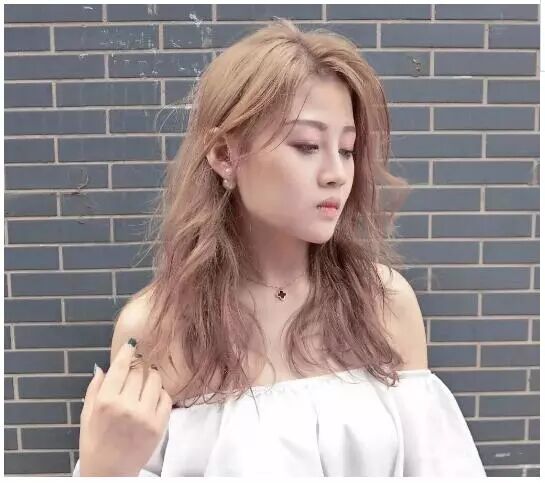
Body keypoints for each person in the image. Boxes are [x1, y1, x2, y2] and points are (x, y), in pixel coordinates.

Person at [73, 18, 486, 477]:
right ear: (225, 155)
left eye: (347, 149)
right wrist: (102, 469)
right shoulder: (158, 326)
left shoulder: (384, 304)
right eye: (307, 145)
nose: (336, 174)